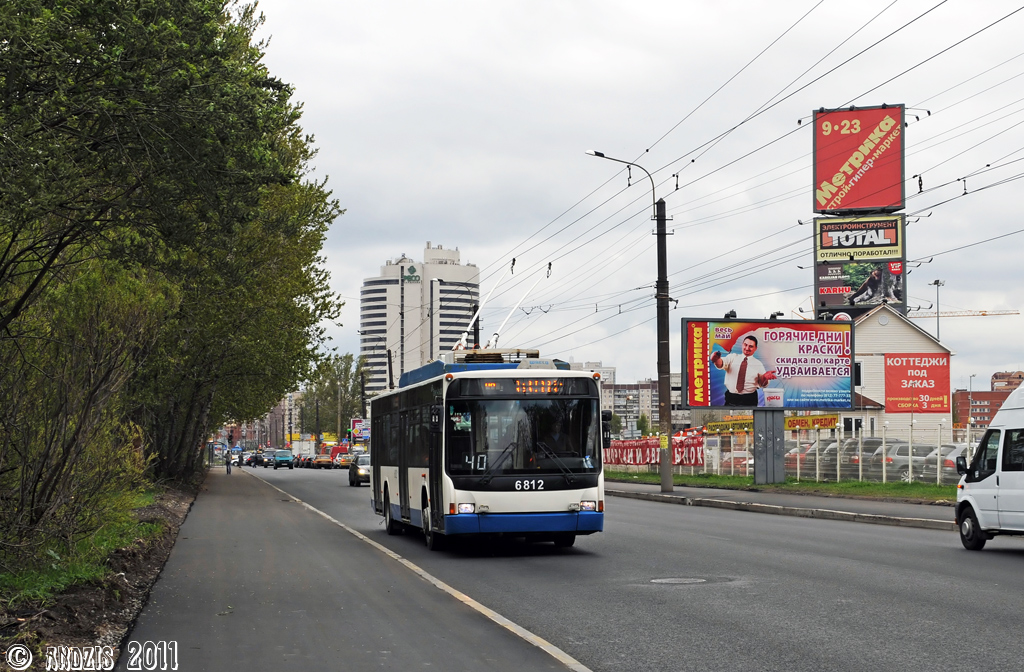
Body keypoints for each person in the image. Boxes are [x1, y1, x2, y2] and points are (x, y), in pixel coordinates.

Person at [710, 335, 776, 407]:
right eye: (745, 345)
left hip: (749, 399)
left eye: (751, 346)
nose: (747, 348)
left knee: (749, 418)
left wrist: (765, 378)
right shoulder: (732, 357)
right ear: (742, 344)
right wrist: (716, 360)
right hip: (731, 398)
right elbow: (721, 363)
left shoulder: (758, 364)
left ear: (755, 348)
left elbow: (763, 383)